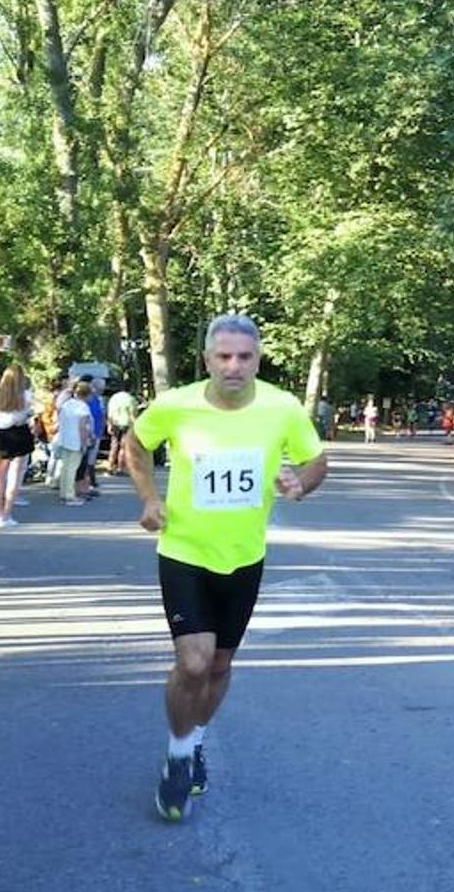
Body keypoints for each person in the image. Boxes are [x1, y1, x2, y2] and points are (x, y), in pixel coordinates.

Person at [125, 313, 328, 823]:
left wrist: (301, 483)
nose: (234, 366)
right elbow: (135, 444)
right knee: (193, 662)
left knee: (218, 665)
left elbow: (316, 459)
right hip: (184, 553)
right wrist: (149, 498)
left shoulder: (282, 409)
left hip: (244, 558)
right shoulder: (176, 406)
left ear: (258, 359)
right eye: (224, 356)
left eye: (245, 357)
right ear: (208, 360)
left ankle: (195, 741)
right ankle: (177, 757)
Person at [0, 365, 35, 527]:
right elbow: (29, 412)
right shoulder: (25, 396)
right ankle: (7, 513)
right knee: (15, 475)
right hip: (20, 432)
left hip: (3, 434)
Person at [54, 381, 94, 506]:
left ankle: (64, 492)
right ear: (87, 395)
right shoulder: (83, 407)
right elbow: (83, 427)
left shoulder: (67, 404)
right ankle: (70, 496)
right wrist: (84, 443)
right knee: (73, 468)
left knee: (66, 467)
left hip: (65, 439)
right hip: (76, 440)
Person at [107, 385, 141, 474]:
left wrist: (109, 425)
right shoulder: (131, 399)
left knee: (114, 446)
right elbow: (132, 415)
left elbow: (110, 413)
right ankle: (120, 468)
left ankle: (110, 466)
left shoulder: (113, 398)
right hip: (126, 424)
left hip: (115, 423)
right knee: (123, 447)